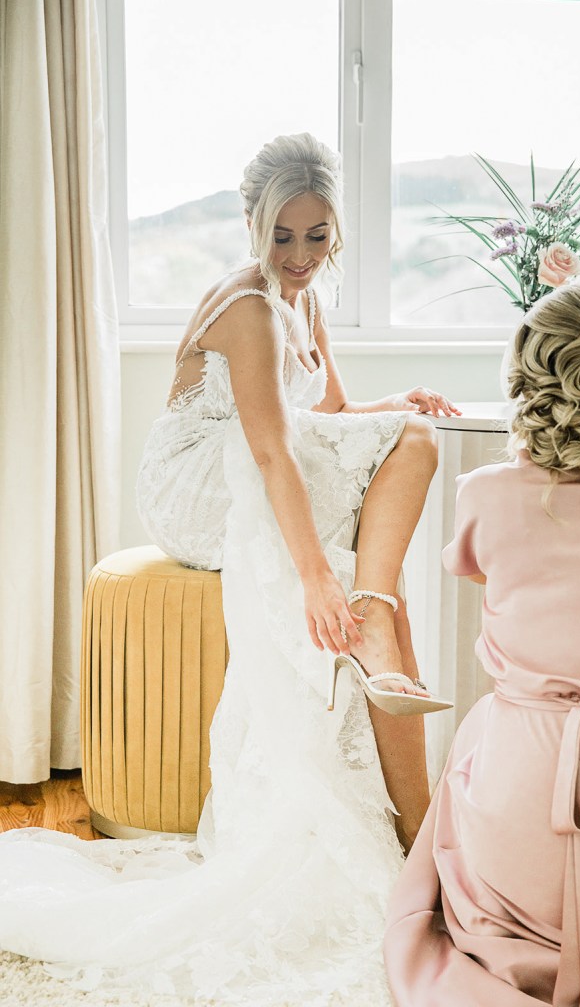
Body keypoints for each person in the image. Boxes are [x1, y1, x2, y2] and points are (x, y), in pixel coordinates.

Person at [0, 133, 457, 1005]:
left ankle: (408, 797)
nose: (297, 255)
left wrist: (394, 403)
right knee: (408, 470)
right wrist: (315, 577)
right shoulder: (248, 304)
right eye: (281, 236)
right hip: (201, 483)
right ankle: (366, 610)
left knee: (410, 438)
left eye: (315, 235)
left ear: (336, 234)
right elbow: (273, 449)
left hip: (262, 460)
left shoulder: (306, 297)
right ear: (253, 227)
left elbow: (327, 414)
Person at [384, 285, 580, 1007]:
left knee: (484, 726)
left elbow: (476, 567)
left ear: (525, 385)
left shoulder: (484, 492)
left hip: (524, 827)